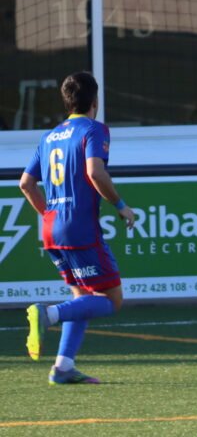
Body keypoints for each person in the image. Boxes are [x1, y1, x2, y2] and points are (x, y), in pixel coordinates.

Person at [19, 71, 136, 385]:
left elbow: (26, 184)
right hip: (79, 228)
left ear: (66, 101)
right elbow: (95, 172)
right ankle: (48, 314)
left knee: (81, 295)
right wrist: (121, 205)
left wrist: (49, 215)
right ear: (95, 100)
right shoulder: (94, 129)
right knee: (111, 299)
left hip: (51, 227)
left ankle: (63, 367)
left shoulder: (49, 137)